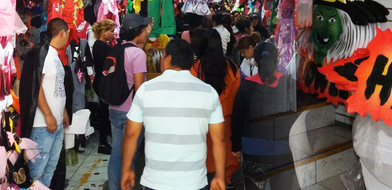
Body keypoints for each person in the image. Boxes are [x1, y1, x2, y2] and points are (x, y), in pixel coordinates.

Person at [121, 39, 226, 190]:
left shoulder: (146, 90)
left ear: (168, 59)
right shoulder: (208, 92)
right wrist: (220, 177)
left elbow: (131, 134)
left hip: (156, 180)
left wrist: (126, 170)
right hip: (194, 181)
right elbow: (219, 139)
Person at [19, 18, 71, 187]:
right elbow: (37, 86)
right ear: (62, 32)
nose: (68, 38)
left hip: (55, 124)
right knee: (36, 172)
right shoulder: (45, 54)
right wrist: (48, 114)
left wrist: (62, 113)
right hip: (42, 125)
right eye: (68, 34)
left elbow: (56, 87)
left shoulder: (54, 55)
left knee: (50, 169)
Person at [231, 43, 292, 187]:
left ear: (255, 62)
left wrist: (236, 147)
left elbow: (237, 119)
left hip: (253, 149)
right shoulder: (289, 83)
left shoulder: (245, 85)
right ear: (277, 60)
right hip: (283, 150)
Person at [191, 30, 241, 188]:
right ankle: (225, 179)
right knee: (224, 155)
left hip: (203, 124)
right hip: (226, 121)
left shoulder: (196, 69)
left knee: (206, 158)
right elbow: (236, 97)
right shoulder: (231, 68)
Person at [108, 14, 152, 190]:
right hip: (131, 112)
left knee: (117, 154)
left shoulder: (115, 50)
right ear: (138, 32)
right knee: (130, 156)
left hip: (113, 108)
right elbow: (140, 88)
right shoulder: (137, 54)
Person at [91, 19, 116, 154]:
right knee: (105, 113)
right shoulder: (102, 46)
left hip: (101, 81)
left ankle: (104, 140)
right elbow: (107, 67)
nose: (113, 34)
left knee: (105, 112)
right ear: (104, 32)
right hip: (103, 82)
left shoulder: (99, 44)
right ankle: (102, 143)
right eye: (111, 31)